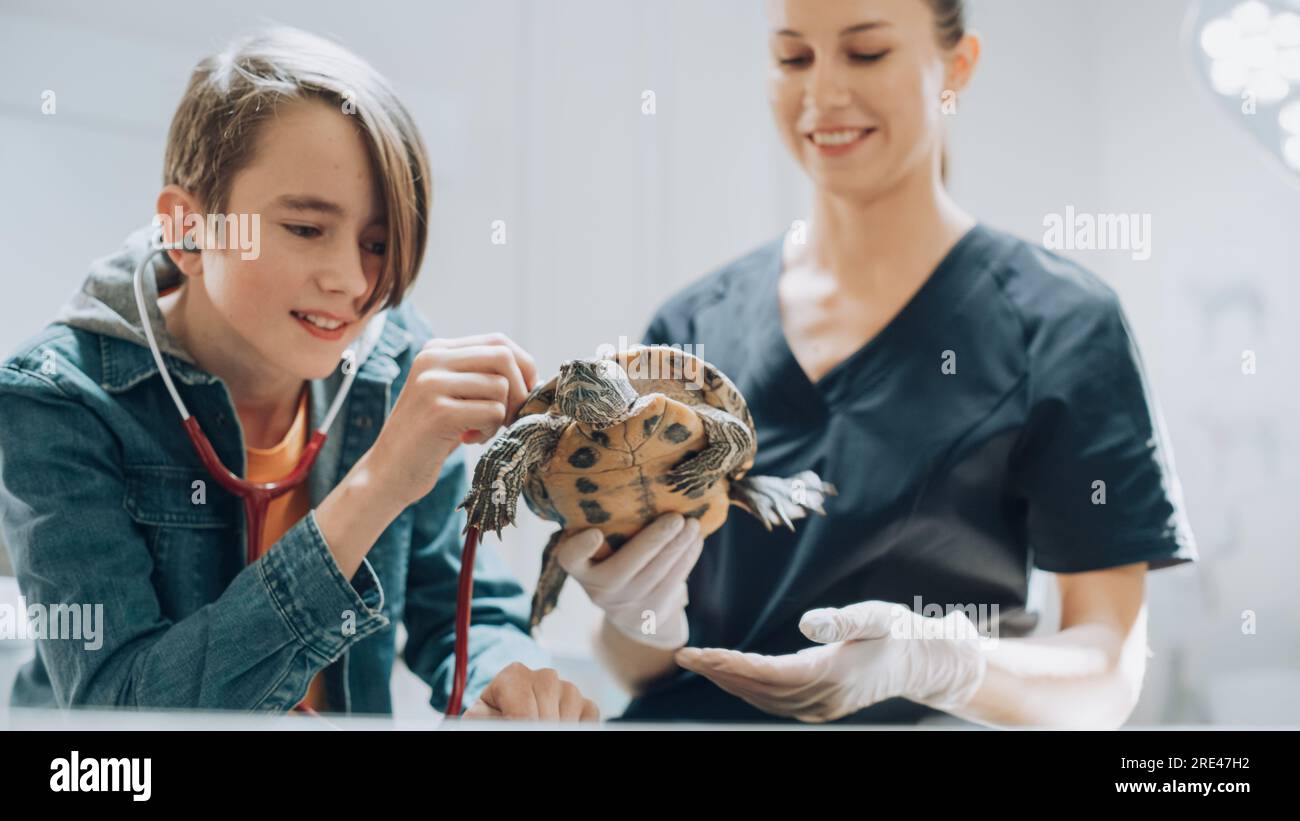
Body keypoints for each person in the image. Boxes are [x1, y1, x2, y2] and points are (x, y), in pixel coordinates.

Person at [548, 0, 1197, 727]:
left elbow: (1104, 674)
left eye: (865, 53)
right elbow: (638, 664)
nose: (822, 94)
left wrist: (941, 663)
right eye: (794, 58)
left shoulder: (1062, 324)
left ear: (957, 67)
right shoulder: (694, 328)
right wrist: (640, 620)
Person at [0, 27, 598, 721]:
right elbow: (123, 712)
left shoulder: (395, 361)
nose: (351, 281)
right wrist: (374, 487)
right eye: (307, 229)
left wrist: (509, 678)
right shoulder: (56, 401)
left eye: (378, 242)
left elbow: (459, 608)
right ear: (187, 231)